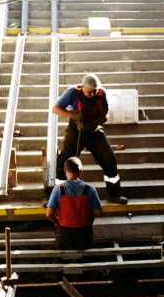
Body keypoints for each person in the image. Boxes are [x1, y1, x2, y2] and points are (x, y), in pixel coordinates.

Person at [51, 73, 128, 204]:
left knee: (109, 159)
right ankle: (57, 196)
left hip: (93, 130)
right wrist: (74, 114)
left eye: (94, 92)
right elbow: (56, 109)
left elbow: (105, 116)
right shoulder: (72, 92)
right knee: (65, 160)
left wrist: (92, 124)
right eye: (89, 92)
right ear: (82, 88)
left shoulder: (101, 94)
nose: (92, 95)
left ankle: (114, 194)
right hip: (76, 130)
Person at [46, 157, 103, 250]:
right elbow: (99, 213)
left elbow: (49, 214)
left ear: (65, 170)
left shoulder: (58, 189)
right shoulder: (90, 189)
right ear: (81, 170)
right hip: (84, 237)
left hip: (65, 237)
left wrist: (57, 221)